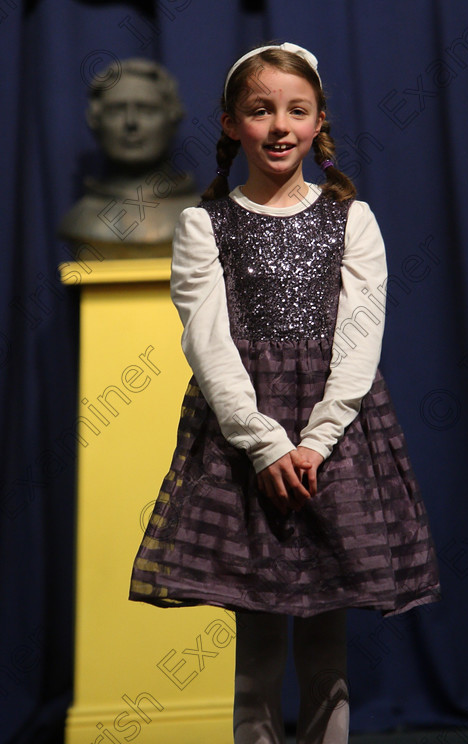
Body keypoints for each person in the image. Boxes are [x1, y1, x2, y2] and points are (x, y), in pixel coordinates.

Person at [129, 42, 440, 743]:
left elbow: (361, 339)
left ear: (318, 121)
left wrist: (316, 441)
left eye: (296, 111)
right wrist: (268, 444)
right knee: (258, 655)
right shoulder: (204, 225)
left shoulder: (351, 218)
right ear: (232, 123)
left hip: (336, 442)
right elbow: (208, 343)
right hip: (245, 444)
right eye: (261, 110)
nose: (279, 126)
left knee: (327, 655)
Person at [58, 58, 198, 258]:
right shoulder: (80, 219)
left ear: (173, 118)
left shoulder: (201, 217)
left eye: (147, 110)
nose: (131, 123)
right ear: (95, 122)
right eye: (116, 110)